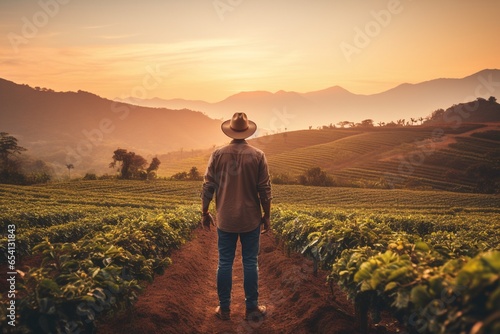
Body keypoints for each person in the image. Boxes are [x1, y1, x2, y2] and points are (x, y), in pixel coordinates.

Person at [201, 112, 272, 321]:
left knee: (224, 262)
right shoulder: (258, 155)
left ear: (230, 131)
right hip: (250, 219)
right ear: (247, 131)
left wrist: (205, 212)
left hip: (226, 218)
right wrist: (266, 216)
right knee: (250, 262)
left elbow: (208, 187)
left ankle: (224, 310)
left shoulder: (217, 154)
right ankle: (251, 308)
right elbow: (264, 190)